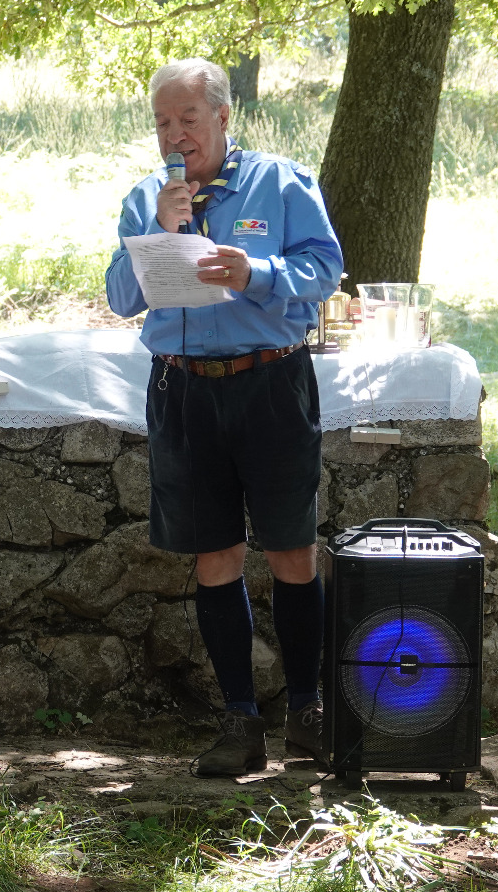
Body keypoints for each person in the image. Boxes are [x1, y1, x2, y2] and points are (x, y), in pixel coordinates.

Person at [105, 58, 343, 777]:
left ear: (222, 117)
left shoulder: (282, 181)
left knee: (291, 550)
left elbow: (325, 267)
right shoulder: (148, 196)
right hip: (184, 390)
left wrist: (256, 274)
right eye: (162, 123)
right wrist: (158, 226)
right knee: (214, 557)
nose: (175, 137)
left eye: (188, 120)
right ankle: (240, 721)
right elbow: (121, 297)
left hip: (269, 380)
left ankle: (308, 710)